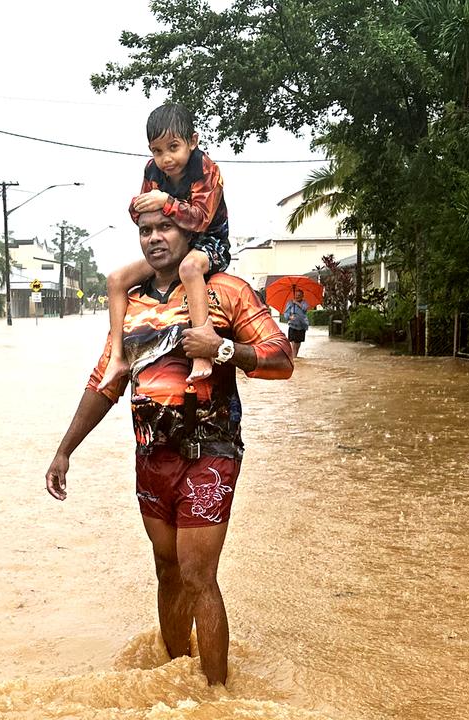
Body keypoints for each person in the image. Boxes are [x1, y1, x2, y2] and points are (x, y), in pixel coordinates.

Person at [45, 209, 294, 686]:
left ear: (189, 232)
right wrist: (65, 450)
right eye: (146, 230)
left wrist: (222, 349)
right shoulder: (130, 303)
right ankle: (177, 679)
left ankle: (218, 699)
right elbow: (105, 382)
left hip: (210, 452)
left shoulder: (225, 290)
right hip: (151, 456)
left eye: (166, 228)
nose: (155, 238)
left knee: (198, 575)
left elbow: (281, 359)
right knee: (167, 570)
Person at [99, 103, 230, 390]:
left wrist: (165, 203)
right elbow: (140, 213)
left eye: (173, 147)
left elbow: (200, 219)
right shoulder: (152, 171)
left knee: (190, 266)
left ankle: (202, 348)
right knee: (116, 279)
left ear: (192, 141)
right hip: (173, 245)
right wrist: (147, 205)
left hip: (209, 242)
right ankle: (118, 357)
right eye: (157, 151)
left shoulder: (206, 169)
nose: (166, 158)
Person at [281, 288, 310, 359]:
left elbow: (305, 308)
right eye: (296, 295)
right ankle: (294, 358)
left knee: (298, 343)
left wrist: (296, 303)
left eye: (299, 295)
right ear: (294, 295)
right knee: (293, 343)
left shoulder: (304, 303)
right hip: (292, 325)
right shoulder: (290, 303)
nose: (297, 296)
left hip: (302, 326)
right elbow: (286, 313)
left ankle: (295, 356)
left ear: (302, 296)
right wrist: (289, 317)